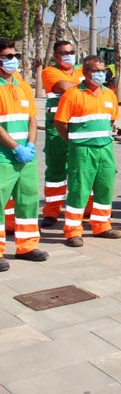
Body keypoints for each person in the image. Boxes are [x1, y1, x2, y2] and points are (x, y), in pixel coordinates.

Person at [53, 56, 121, 247]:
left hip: (105, 149)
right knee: (79, 189)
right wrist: (73, 141)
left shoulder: (109, 95)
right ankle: (73, 231)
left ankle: (101, 225)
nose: (99, 74)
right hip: (82, 150)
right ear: (84, 72)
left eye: (102, 70)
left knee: (105, 187)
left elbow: (111, 121)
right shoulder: (73, 94)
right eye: (94, 70)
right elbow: (60, 122)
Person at [0, 38, 48, 271]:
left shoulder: (21, 84)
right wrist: (14, 147)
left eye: (14, 56)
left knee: (28, 201)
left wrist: (29, 145)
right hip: (3, 157)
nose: (13, 60)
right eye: (8, 57)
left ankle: (27, 246)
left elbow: (32, 117)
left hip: (25, 157)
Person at [41, 40, 83, 227]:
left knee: (82, 170)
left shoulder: (83, 71)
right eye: (64, 52)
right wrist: (86, 87)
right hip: (57, 127)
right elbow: (64, 87)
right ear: (56, 56)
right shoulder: (49, 72)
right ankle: (52, 211)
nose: (68, 55)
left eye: (71, 51)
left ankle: (85, 208)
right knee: (56, 171)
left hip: (81, 126)